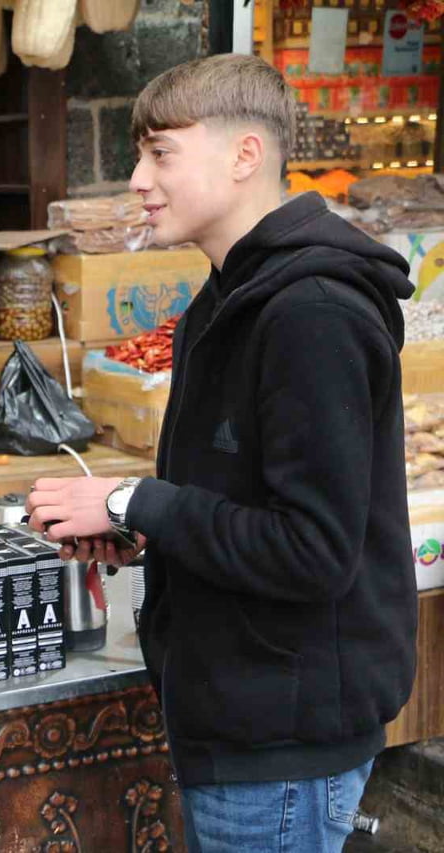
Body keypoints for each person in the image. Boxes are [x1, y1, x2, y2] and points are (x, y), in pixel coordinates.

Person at [26, 54, 417, 853]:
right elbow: (239, 496)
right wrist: (147, 533)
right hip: (237, 719)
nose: (137, 178)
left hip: (280, 742)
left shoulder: (311, 311)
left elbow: (312, 550)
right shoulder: (226, 294)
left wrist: (135, 501)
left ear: (245, 156)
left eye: (160, 153)